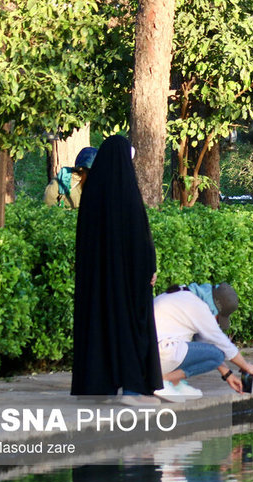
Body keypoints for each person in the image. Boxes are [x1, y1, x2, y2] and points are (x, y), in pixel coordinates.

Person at [71, 135, 163, 405]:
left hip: (97, 285)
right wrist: (150, 269)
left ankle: (97, 389)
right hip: (127, 282)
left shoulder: (92, 194)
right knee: (131, 328)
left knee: (99, 329)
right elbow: (141, 240)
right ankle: (133, 388)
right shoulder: (127, 193)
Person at [153, 283, 253, 400]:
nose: (217, 322)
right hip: (161, 354)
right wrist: (246, 366)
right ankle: (163, 381)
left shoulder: (182, 295)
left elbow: (204, 345)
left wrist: (228, 374)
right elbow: (222, 344)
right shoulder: (197, 306)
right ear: (215, 307)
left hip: (150, 356)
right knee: (218, 354)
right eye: (218, 317)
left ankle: (174, 382)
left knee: (210, 352)